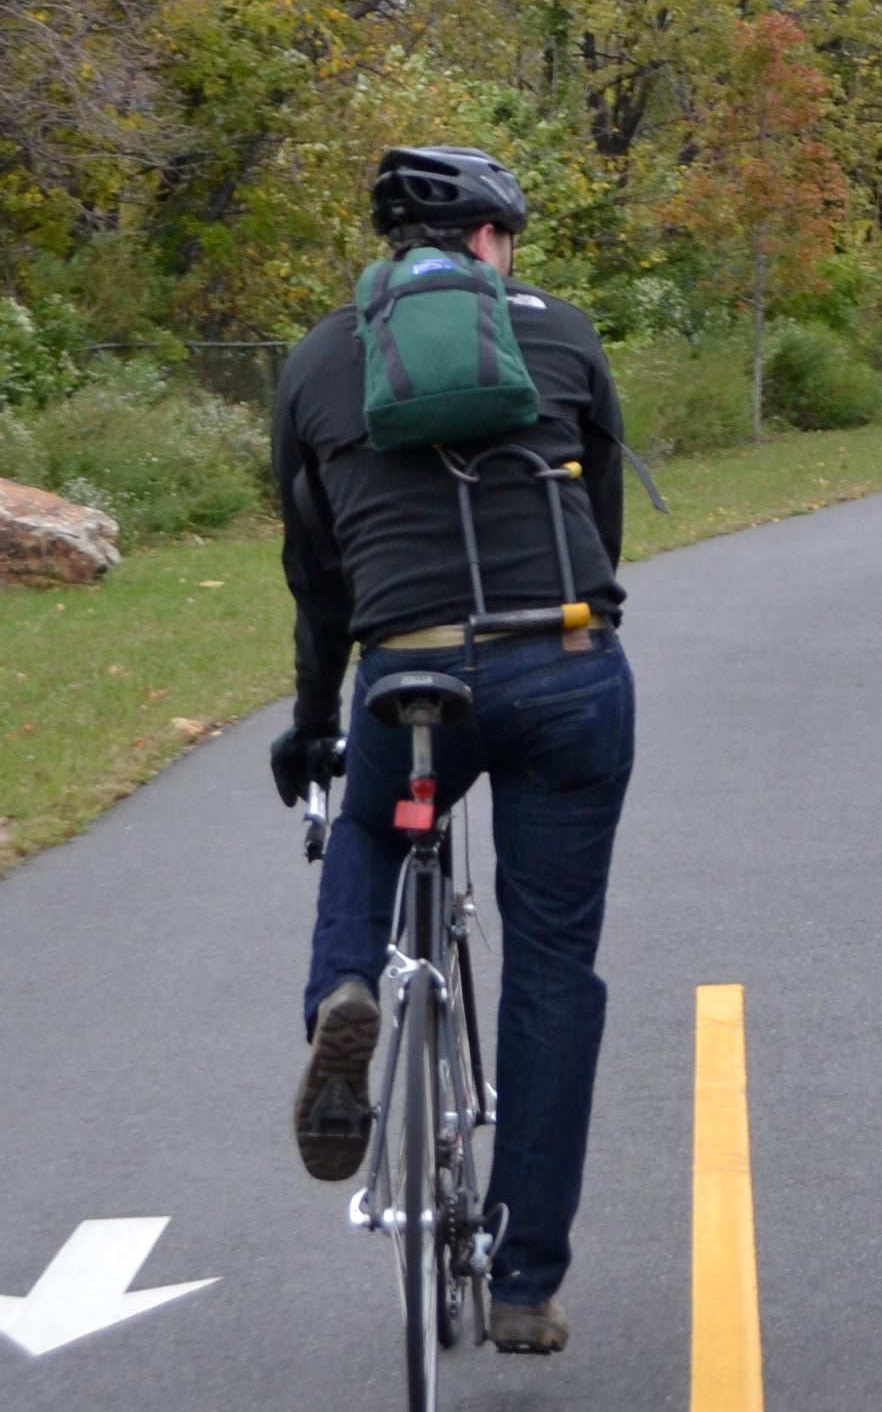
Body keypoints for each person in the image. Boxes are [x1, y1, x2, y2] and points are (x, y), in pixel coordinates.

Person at [268, 143, 637, 1358]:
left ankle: (346, 989)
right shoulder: (565, 333)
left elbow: (317, 578)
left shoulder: (322, 357)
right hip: (562, 661)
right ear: (487, 239)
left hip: (407, 669)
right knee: (553, 970)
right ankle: (526, 1280)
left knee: (372, 822)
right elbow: (604, 528)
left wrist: (315, 719)